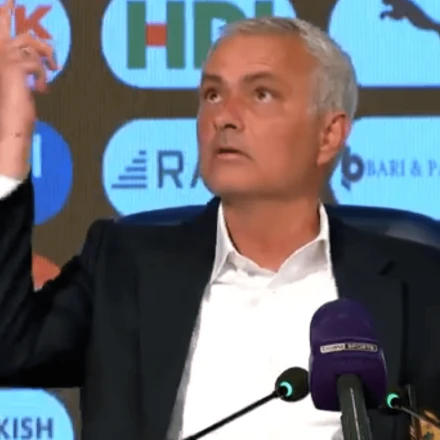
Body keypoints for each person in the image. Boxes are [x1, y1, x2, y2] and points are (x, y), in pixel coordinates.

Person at [0, 0, 439, 438]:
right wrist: (10, 140)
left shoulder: (419, 284)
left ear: (329, 134)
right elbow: (9, 349)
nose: (224, 117)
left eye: (261, 94)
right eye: (212, 94)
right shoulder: (124, 266)